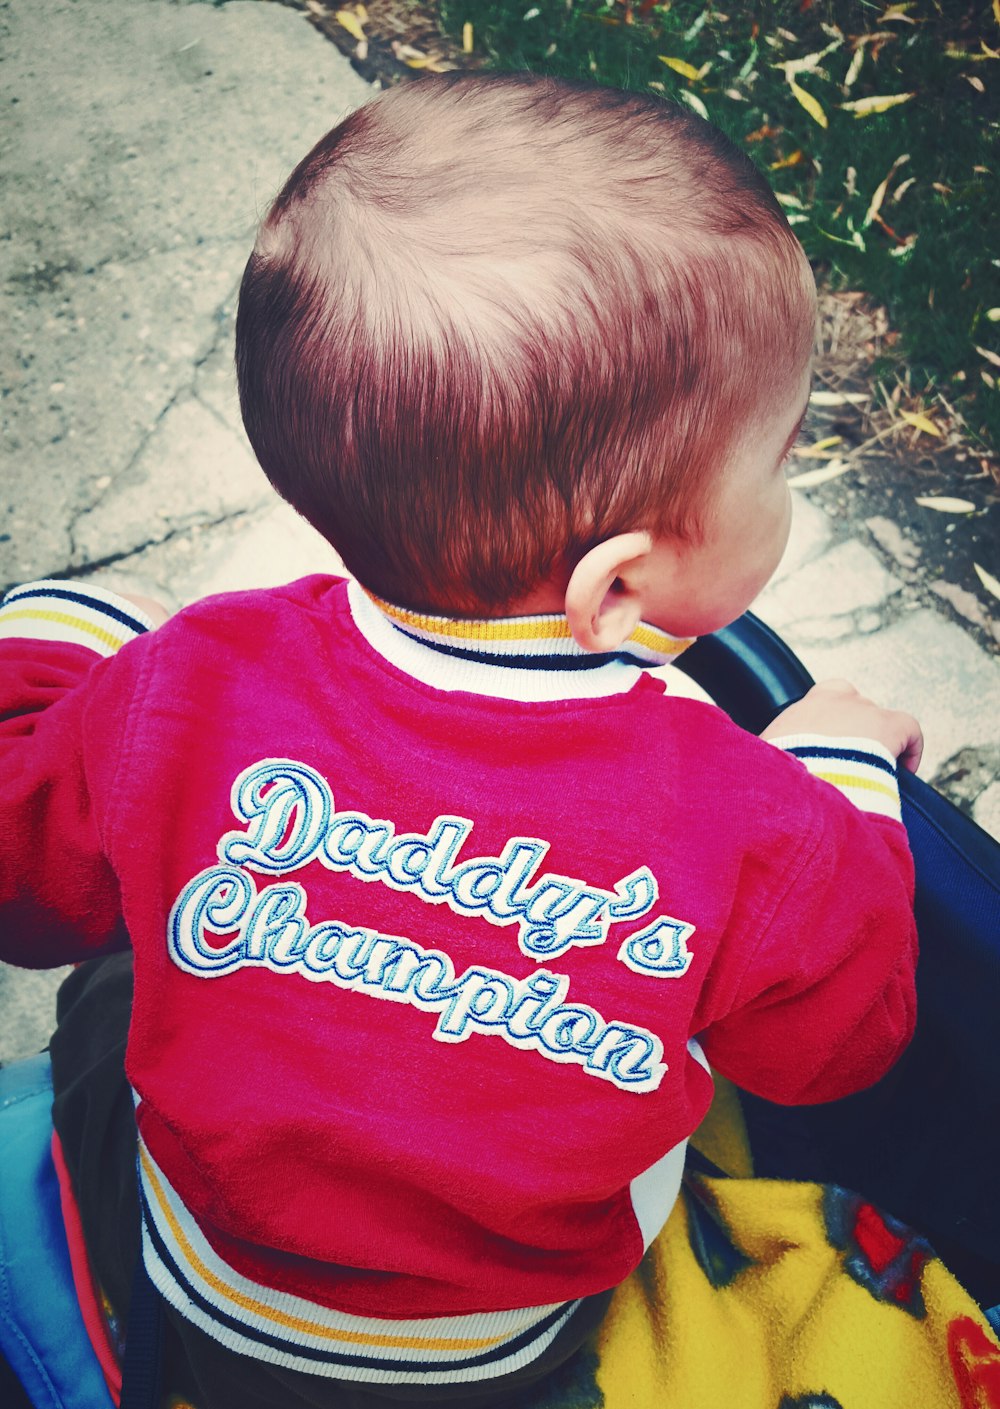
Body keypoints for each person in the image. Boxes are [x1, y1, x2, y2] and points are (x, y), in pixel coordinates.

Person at [0, 71, 921, 1408]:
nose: (785, 484)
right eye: (778, 459)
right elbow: (831, 1051)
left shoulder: (186, 687)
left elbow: (30, 886)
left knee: (113, 980)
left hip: (188, 1266)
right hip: (484, 1345)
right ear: (618, 587)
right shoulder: (754, 821)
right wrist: (839, 778)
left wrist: (66, 638)